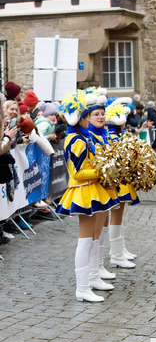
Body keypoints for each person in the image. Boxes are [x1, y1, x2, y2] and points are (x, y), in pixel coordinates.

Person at [56, 89, 120, 302]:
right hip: (83, 191)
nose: (89, 119)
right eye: (87, 116)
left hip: (92, 189)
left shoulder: (82, 137)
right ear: (80, 119)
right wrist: (103, 171)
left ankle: (92, 278)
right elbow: (77, 173)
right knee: (85, 241)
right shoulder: (77, 140)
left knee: (93, 238)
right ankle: (82, 288)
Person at [105, 98, 138, 272]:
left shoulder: (117, 135)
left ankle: (119, 250)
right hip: (119, 182)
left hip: (122, 181)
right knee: (116, 217)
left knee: (119, 217)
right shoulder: (113, 137)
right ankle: (116, 255)